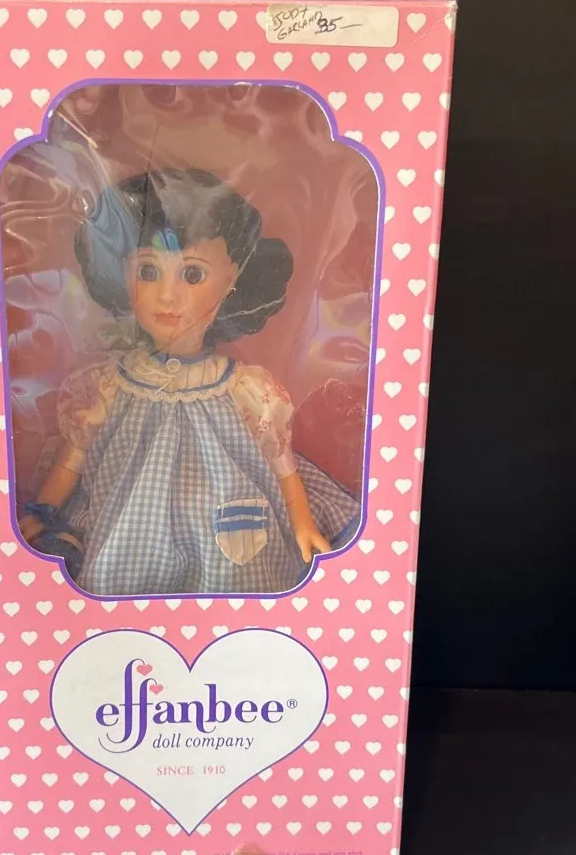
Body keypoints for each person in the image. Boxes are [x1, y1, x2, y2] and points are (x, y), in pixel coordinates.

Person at [19, 168, 360, 596]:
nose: (167, 295)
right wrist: (44, 510)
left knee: (238, 571)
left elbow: (281, 464)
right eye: (147, 271)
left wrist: (303, 524)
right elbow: (74, 458)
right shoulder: (107, 385)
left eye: (193, 274)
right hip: (130, 532)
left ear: (233, 279)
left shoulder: (247, 389)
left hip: (226, 526)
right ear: (122, 275)